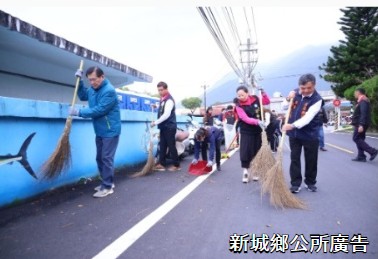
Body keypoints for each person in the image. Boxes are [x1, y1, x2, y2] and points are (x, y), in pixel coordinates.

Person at [70, 66, 121, 198]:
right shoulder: (92, 89)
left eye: (94, 79)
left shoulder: (109, 91)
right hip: (99, 130)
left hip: (110, 130)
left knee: (106, 158)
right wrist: (79, 81)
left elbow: (99, 110)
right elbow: (82, 96)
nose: (92, 83)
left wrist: (79, 112)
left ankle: (107, 187)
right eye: (90, 80)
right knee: (99, 158)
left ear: (102, 77)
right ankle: (107, 182)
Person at [282, 73, 322, 193]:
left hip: (310, 134)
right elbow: (284, 107)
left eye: (309, 88)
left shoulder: (317, 100)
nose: (305, 91)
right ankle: (295, 183)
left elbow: (307, 118)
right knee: (294, 158)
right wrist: (288, 98)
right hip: (294, 135)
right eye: (302, 88)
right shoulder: (295, 93)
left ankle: (310, 182)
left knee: (311, 159)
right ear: (299, 86)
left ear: (314, 85)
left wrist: (292, 125)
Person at [234, 85, 270, 183]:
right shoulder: (238, 106)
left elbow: (266, 102)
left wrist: (263, 92)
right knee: (246, 151)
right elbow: (245, 118)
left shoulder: (255, 98)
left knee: (257, 150)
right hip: (246, 131)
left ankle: (255, 171)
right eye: (239, 95)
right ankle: (245, 171)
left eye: (242, 95)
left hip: (257, 130)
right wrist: (257, 121)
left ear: (247, 93)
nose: (240, 97)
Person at [151, 81, 181, 171]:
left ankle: (176, 165)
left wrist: (155, 122)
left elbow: (166, 114)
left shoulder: (169, 100)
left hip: (170, 127)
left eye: (161, 90)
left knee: (171, 145)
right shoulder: (163, 99)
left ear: (166, 89)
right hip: (164, 127)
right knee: (163, 145)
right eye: (158, 90)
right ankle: (162, 164)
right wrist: (156, 106)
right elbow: (162, 107)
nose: (160, 92)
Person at [351, 88, 377, 162]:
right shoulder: (362, 101)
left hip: (361, 123)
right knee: (360, 139)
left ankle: (372, 151)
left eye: (355, 92)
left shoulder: (363, 101)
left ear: (358, 93)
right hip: (360, 123)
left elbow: (363, 113)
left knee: (356, 138)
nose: (354, 94)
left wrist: (361, 125)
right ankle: (361, 156)